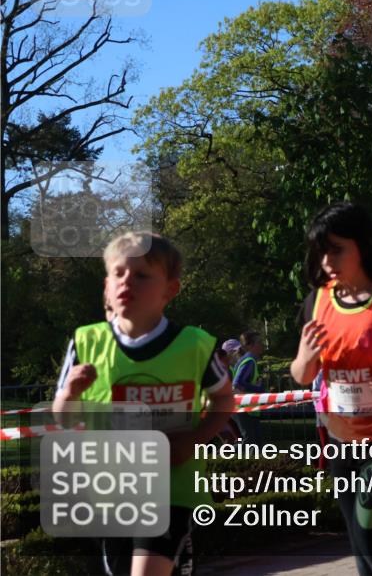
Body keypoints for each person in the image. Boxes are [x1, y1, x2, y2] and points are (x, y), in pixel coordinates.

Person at [53, 232, 234, 576]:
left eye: (141, 275)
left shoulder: (194, 345)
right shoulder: (85, 342)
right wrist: (70, 395)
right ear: (107, 286)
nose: (127, 282)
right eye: (119, 274)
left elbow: (224, 400)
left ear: (170, 290)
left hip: (171, 490)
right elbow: (62, 418)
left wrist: (191, 440)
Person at [290, 202, 372, 576]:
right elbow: (302, 375)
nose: (326, 259)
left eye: (336, 249)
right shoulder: (316, 303)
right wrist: (304, 356)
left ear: (362, 245)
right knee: (359, 540)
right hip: (341, 440)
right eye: (320, 250)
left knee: (370, 531)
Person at [232, 331, 266, 444]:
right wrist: (259, 389)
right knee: (250, 442)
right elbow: (238, 383)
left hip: (248, 408)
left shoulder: (249, 360)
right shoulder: (249, 361)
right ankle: (222, 454)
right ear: (250, 346)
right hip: (243, 407)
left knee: (256, 443)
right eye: (259, 342)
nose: (263, 344)